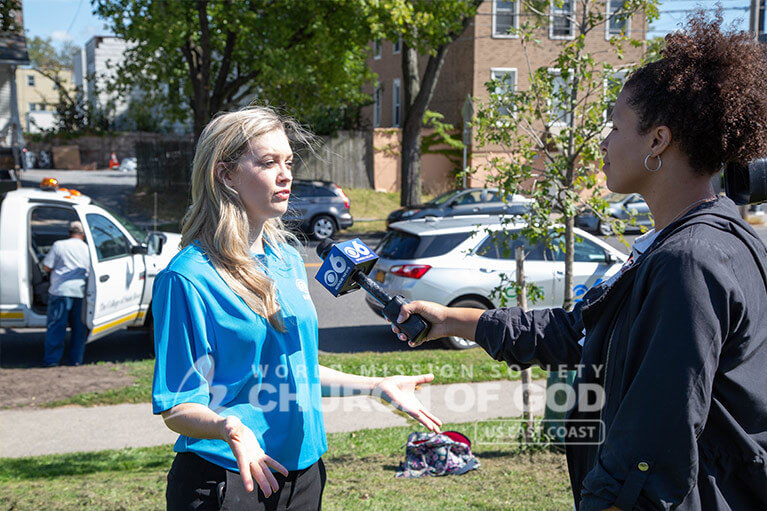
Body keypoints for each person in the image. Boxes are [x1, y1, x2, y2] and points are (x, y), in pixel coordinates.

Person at [393, 13, 767, 511]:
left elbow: (653, 441)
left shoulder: (689, 262)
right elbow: (579, 330)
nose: (603, 142)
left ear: (658, 141)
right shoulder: (696, 240)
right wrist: (454, 320)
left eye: (614, 126)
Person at [152, 106, 442, 511]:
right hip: (227, 478)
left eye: (288, 161)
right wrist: (228, 427)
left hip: (305, 475)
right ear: (225, 174)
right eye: (268, 162)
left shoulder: (287, 257)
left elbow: (295, 369)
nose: (286, 174)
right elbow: (177, 404)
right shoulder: (187, 278)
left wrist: (374, 387)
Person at [42, 220, 91, 367]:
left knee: (57, 327)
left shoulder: (59, 245)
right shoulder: (88, 249)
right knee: (79, 328)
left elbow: (46, 267)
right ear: (82, 235)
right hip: (81, 291)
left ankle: (52, 360)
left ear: (69, 233)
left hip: (60, 291)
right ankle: (75, 360)